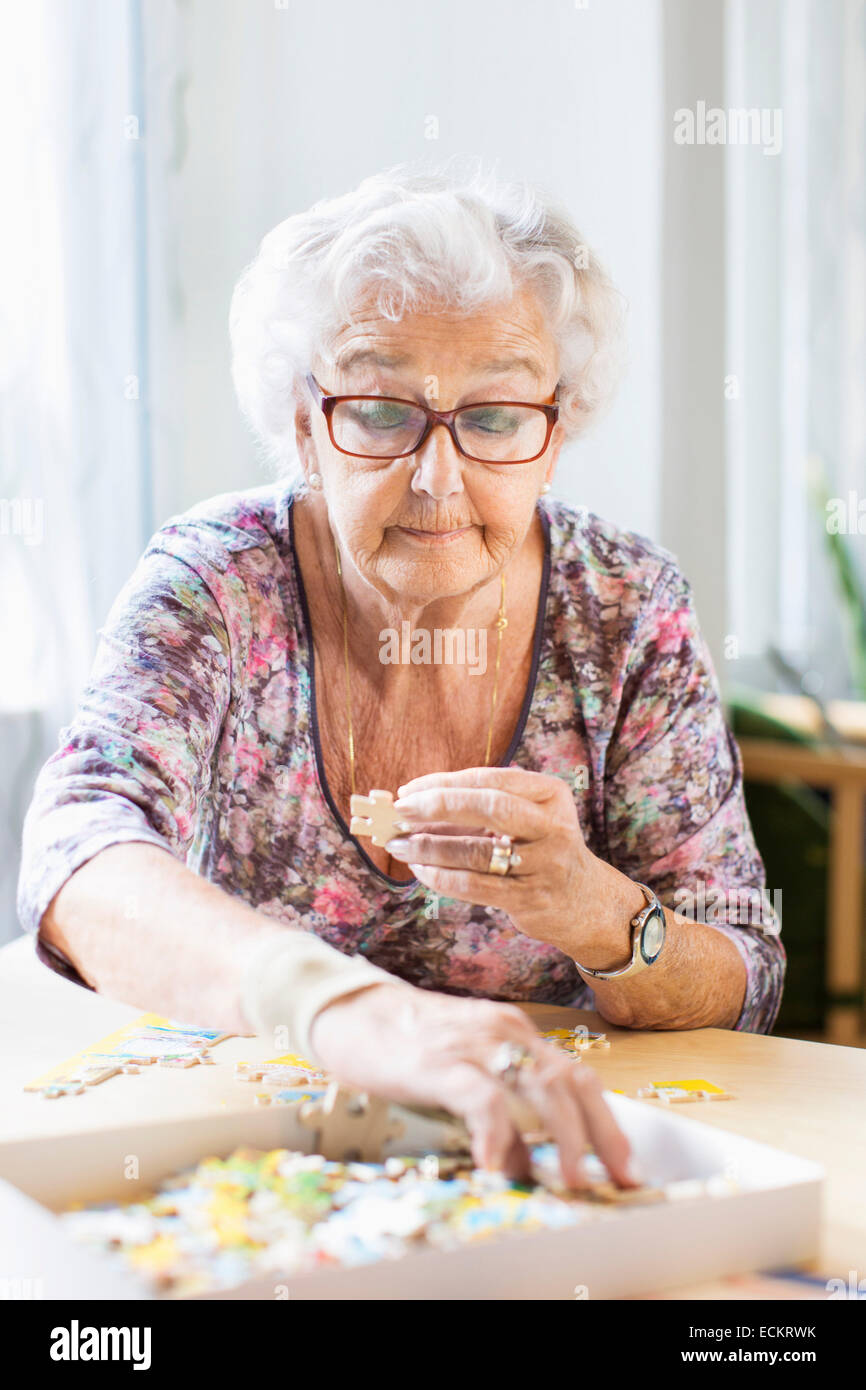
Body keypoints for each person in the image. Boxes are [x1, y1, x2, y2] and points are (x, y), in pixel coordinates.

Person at [18, 162, 783, 1186]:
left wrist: (588, 905)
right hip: (250, 1156)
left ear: (556, 431)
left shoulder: (623, 602)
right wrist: (340, 1007)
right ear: (303, 422)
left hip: (550, 1152)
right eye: (380, 411)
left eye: (495, 416)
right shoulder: (214, 581)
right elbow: (78, 853)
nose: (436, 478)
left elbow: (743, 970)